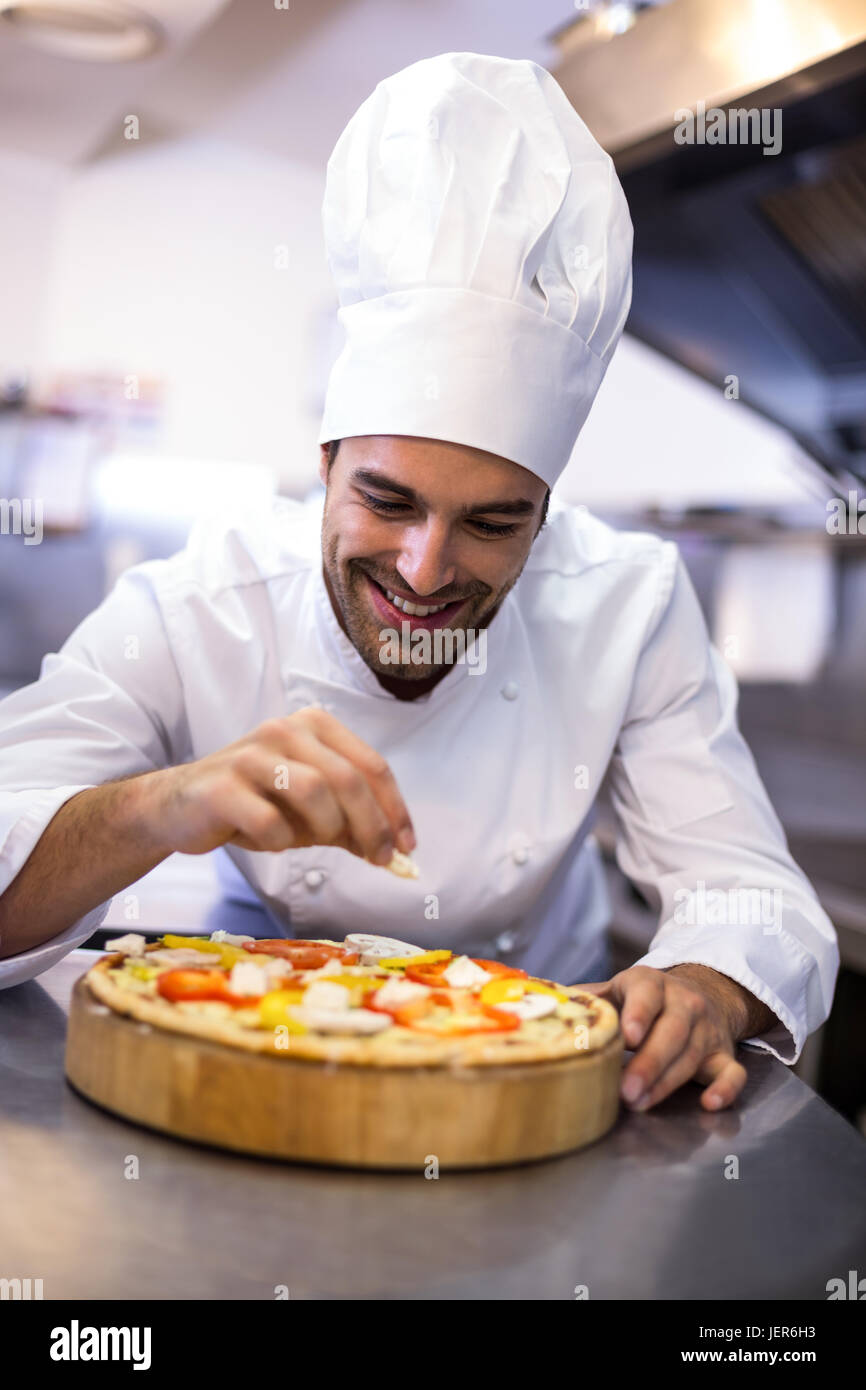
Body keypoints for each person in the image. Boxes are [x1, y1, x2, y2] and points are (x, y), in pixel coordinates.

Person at [0, 53, 838, 1115]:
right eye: (387, 501)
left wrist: (704, 989)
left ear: (546, 509)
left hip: (538, 1073)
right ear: (323, 465)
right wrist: (159, 806)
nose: (424, 569)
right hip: (248, 1043)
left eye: (493, 521)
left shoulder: (627, 601)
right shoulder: (201, 598)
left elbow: (748, 887)